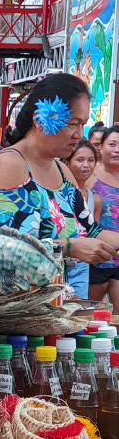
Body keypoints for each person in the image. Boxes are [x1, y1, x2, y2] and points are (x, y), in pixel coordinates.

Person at [0, 73, 119, 271]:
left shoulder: (63, 171)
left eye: (82, 124)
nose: (79, 134)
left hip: (50, 295)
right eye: (73, 124)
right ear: (40, 120)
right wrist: (68, 247)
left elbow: (91, 231)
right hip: (8, 300)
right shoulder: (9, 164)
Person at [65, 138, 102, 299]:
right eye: (80, 160)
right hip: (59, 261)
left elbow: (95, 233)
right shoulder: (60, 194)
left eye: (91, 160)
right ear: (66, 163)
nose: (86, 165)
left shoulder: (95, 199)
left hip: (81, 265)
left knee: (78, 313)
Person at [88, 125, 119, 309]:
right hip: (94, 256)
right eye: (112, 144)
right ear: (101, 147)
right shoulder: (89, 175)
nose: (117, 150)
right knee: (92, 314)